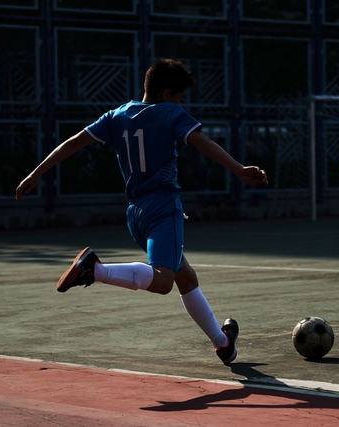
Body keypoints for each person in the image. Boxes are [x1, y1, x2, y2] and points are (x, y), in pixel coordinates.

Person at [15, 58, 268, 365]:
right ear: (166, 94)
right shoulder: (169, 112)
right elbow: (200, 141)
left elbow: (74, 142)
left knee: (185, 278)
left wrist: (36, 173)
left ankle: (222, 343)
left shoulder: (117, 114)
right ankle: (94, 270)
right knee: (163, 282)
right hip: (163, 206)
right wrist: (240, 170)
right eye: (179, 97)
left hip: (136, 213)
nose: (180, 103)